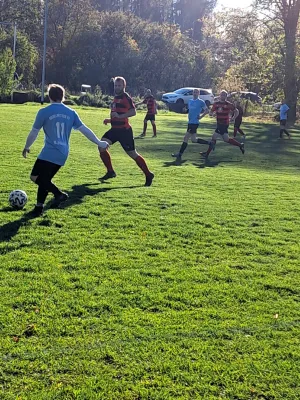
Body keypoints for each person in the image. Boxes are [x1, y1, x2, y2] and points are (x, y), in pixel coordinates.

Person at [22, 84, 109, 217]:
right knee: (45, 179)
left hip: (49, 152)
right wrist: (98, 142)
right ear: (62, 97)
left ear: (49, 96)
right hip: (63, 153)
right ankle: (39, 208)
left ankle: (58, 194)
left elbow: (34, 132)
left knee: (35, 177)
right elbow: (84, 130)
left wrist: (27, 146)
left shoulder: (44, 112)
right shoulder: (71, 113)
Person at [99, 76, 154, 186]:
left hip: (124, 131)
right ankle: (110, 172)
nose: (117, 87)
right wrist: (110, 120)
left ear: (124, 86)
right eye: (115, 85)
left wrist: (120, 116)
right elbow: (117, 113)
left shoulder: (126, 97)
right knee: (101, 146)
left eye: (119, 85)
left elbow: (133, 112)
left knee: (133, 154)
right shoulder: (116, 97)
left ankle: (148, 174)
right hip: (114, 130)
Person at [171, 88, 213, 161]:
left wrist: (200, 117)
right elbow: (189, 110)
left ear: (198, 94)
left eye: (196, 92)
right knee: (194, 140)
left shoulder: (201, 102)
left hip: (195, 123)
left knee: (186, 138)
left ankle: (179, 154)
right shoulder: (190, 101)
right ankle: (210, 143)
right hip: (190, 122)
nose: (195, 93)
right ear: (192, 93)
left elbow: (207, 111)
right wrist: (185, 110)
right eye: (194, 92)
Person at [201, 90, 245, 159]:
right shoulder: (216, 104)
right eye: (221, 95)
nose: (223, 96)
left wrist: (233, 118)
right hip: (219, 123)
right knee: (226, 139)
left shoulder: (228, 104)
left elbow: (236, 111)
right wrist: (211, 114)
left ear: (226, 96)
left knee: (214, 137)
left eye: (224, 95)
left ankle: (207, 154)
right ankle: (240, 145)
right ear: (219, 95)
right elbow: (211, 112)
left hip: (224, 123)